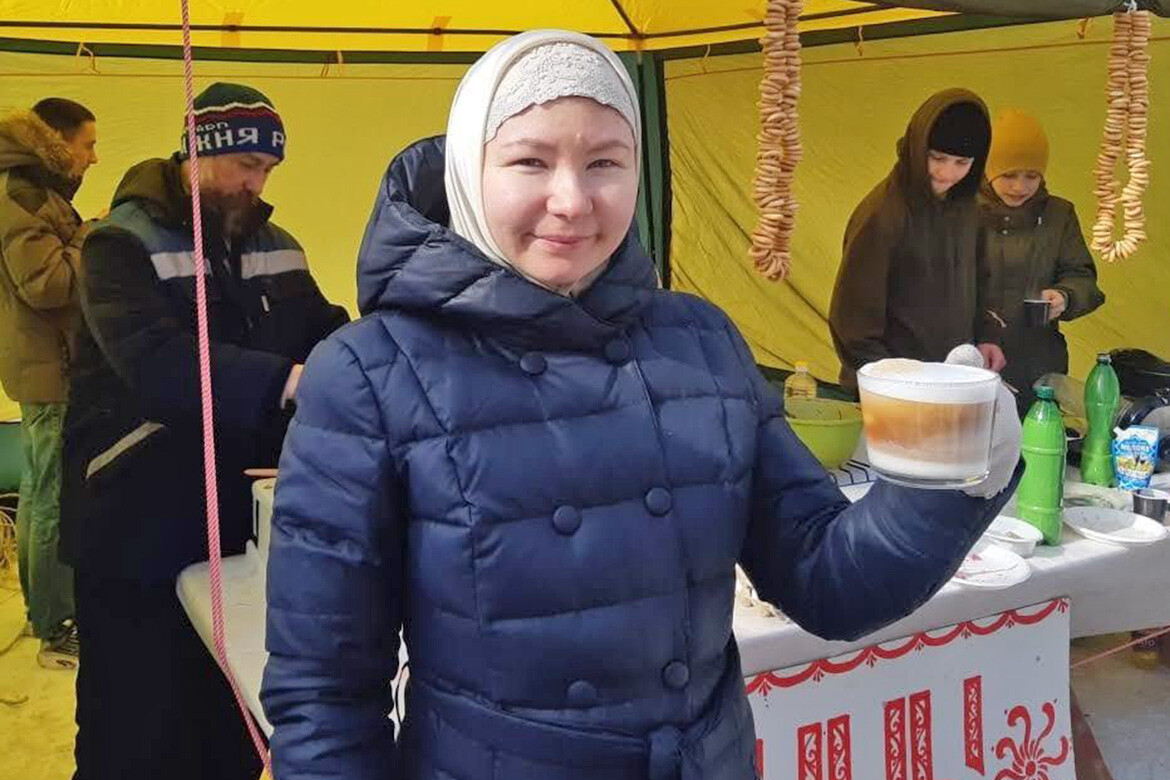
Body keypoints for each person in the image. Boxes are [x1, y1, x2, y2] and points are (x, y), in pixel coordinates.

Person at [261, 32, 1022, 780]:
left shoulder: (701, 342)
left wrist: (945, 486)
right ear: (469, 169)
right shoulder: (370, 374)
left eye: (605, 163)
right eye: (529, 161)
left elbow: (826, 582)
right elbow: (326, 695)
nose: (571, 201)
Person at [61, 83, 348, 780]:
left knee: (228, 713)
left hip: (236, 525)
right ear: (198, 153)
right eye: (246, 165)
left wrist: (375, 360)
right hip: (133, 522)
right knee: (134, 723)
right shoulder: (118, 245)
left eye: (268, 170)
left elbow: (324, 329)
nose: (258, 184)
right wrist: (287, 381)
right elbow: (156, 362)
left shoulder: (278, 248)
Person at [0, 97, 98, 669]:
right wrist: (92, 235)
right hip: (49, 368)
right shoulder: (25, 196)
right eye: (88, 144)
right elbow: (48, 284)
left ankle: (47, 614)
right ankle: (57, 629)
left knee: (42, 490)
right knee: (51, 496)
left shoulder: (31, 189)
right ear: (57, 142)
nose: (94, 157)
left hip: (43, 362)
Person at [829, 88, 1005, 394]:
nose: (947, 173)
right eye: (937, 158)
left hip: (951, 381)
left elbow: (982, 278)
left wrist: (987, 335)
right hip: (889, 389)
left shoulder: (969, 208)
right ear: (917, 147)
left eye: (961, 162)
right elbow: (852, 321)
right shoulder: (882, 215)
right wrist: (893, 381)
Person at [976, 109, 1105, 415]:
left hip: (1039, 365)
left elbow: (1083, 278)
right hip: (974, 361)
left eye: (1031, 176)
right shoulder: (962, 214)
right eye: (1008, 175)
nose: (1020, 187)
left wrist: (1066, 297)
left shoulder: (1059, 215)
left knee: (1036, 440)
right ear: (988, 170)